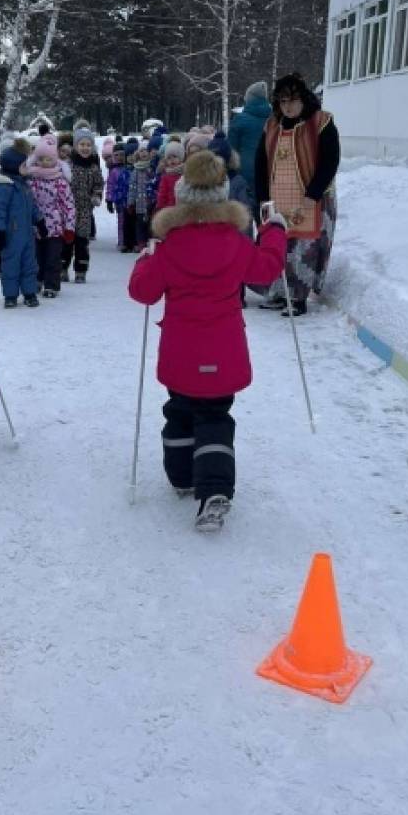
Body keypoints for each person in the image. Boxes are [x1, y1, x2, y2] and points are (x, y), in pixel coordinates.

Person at [128, 150, 287, 532]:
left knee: (179, 410)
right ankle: (213, 487)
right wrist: (275, 232)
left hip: (180, 353)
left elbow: (143, 293)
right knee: (215, 415)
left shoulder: (169, 246)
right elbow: (267, 269)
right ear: (223, 195)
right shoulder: (236, 243)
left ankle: (182, 476)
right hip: (224, 349)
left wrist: (146, 259)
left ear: (183, 195)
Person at [253, 72, 340, 316]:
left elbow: (330, 161)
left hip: (311, 200)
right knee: (279, 245)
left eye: (292, 100)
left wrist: (313, 193)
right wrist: (262, 197)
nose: (287, 106)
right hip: (278, 198)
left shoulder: (321, 123)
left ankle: (298, 297)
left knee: (303, 250)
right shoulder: (271, 125)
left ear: (304, 99)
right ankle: (280, 294)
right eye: (282, 101)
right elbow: (260, 163)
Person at [0, 138, 42, 309]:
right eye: (24, 165)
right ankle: (10, 294)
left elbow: (32, 207)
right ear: (13, 166)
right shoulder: (4, 187)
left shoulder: (24, 186)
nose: (28, 168)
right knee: (10, 264)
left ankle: (29, 292)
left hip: (26, 235)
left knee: (29, 263)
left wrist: (40, 221)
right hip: (10, 235)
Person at [26, 135, 75, 297]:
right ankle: (38, 280)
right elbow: (28, 203)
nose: (45, 163)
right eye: (41, 159)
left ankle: (52, 285)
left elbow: (68, 205)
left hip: (55, 227)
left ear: (55, 159)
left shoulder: (60, 181)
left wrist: (69, 227)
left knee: (53, 257)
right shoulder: (32, 180)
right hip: (36, 227)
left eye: (48, 159)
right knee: (37, 256)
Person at [64, 126, 104, 281]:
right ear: (75, 146)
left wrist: (96, 195)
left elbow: (98, 185)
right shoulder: (68, 165)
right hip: (68, 210)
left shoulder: (94, 168)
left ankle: (81, 270)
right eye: (82, 145)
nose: (85, 148)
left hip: (85, 210)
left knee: (82, 241)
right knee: (67, 241)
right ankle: (62, 268)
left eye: (88, 145)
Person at [227, 80, 272, 214]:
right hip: (269, 175)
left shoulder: (239, 121)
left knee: (244, 219)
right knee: (266, 219)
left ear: (249, 99)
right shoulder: (275, 119)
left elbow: (230, 150)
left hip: (245, 176)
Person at [154, 139, 185, 211]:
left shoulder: (185, 174)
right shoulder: (166, 176)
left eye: (174, 157)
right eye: (169, 158)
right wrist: (160, 206)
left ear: (181, 158)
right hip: (169, 208)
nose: (172, 160)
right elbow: (162, 193)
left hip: (182, 208)